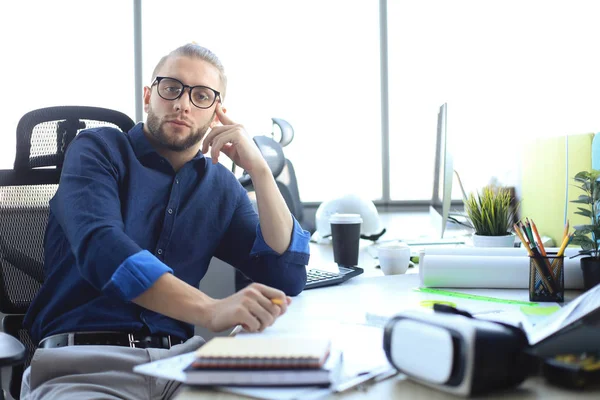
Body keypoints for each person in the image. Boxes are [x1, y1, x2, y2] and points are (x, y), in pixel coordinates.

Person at [20, 43, 310, 399]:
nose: (183, 104)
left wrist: (261, 171)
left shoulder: (219, 185)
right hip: (83, 367)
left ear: (217, 112)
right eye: (171, 88)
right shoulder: (98, 149)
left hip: (180, 368)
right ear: (148, 95)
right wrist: (211, 310)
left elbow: (287, 275)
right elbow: (103, 249)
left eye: (201, 95)